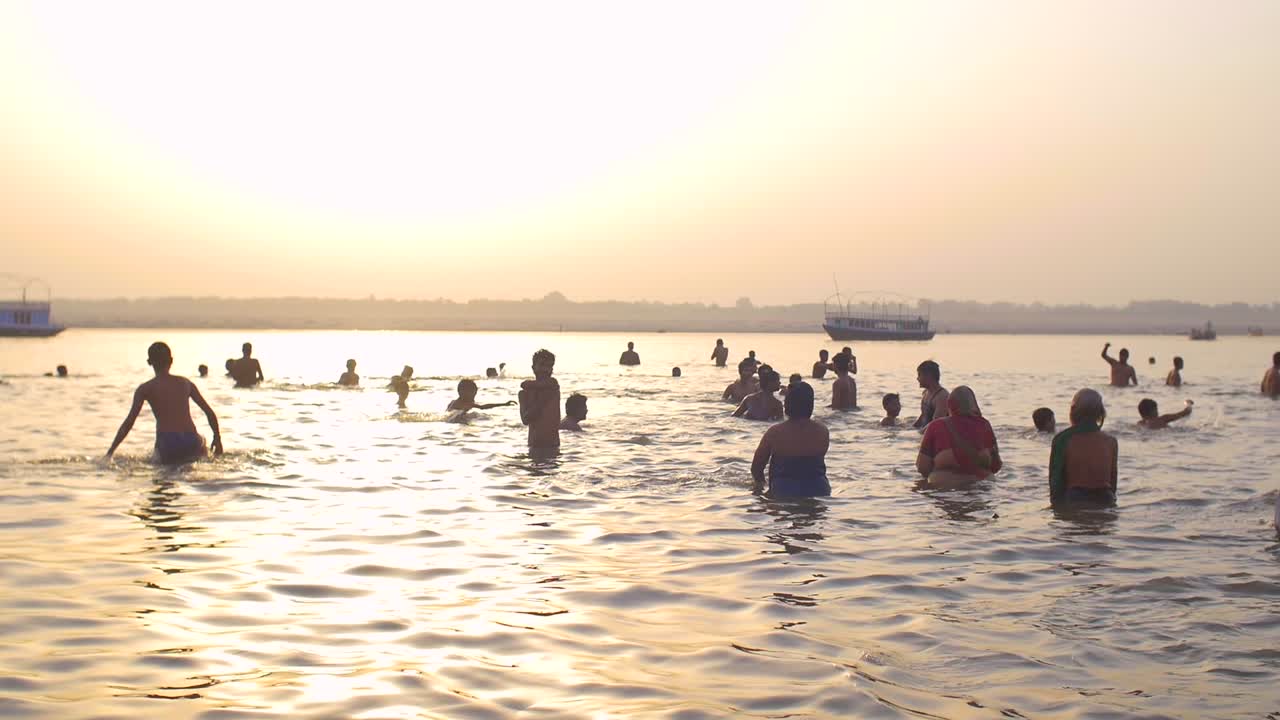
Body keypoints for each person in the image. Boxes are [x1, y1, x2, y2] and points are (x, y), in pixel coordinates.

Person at [106, 341, 222, 464]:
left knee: (163, 474)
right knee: (202, 449)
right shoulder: (186, 383)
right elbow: (209, 412)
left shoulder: (145, 388)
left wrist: (110, 452)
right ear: (171, 360)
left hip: (167, 442)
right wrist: (217, 438)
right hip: (191, 439)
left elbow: (129, 422)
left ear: (149, 362)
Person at [750, 381, 830, 498]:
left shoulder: (775, 432)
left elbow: (756, 468)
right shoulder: (823, 431)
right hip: (819, 490)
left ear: (787, 404)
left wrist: (761, 487)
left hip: (783, 491)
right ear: (810, 404)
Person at [916, 385, 1002, 489]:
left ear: (949, 405)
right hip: (983, 486)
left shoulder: (936, 426)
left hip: (945, 485)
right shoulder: (984, 425)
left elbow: (922, 467)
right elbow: (996, 465)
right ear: (974, 404)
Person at [1049, 388, 1118, 505]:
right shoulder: (1110, 441)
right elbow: (1113, 480)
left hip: (1076, 498)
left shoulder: (1063, 439)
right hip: (1106, 498)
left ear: (1073, 411)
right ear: (1101, 413)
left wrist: (1057, 509)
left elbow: (1056, 479)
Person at [519, 349, 561, 452]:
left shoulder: (553, 384)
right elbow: (525, 420)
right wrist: (540, 403)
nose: (546, 369)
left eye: (549, 366)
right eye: (542, 365)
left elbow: (525, 384)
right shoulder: (524, 394)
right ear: (533, 368)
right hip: (534, 445)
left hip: (552, 446)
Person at [913, 360, 950, 428]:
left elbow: (936, 424)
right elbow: (923, 416)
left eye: (919, 375)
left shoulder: (942, 396)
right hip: (925, 430)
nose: (917, 379)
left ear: (928, 376)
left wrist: (917, 434)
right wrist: (912, 428)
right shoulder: (925, 393)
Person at [448, 379, 515, 411]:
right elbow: (483, 407)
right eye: (473, 392)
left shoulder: (452, 402)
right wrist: (504, 404)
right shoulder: (465, 403)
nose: (474, 396)